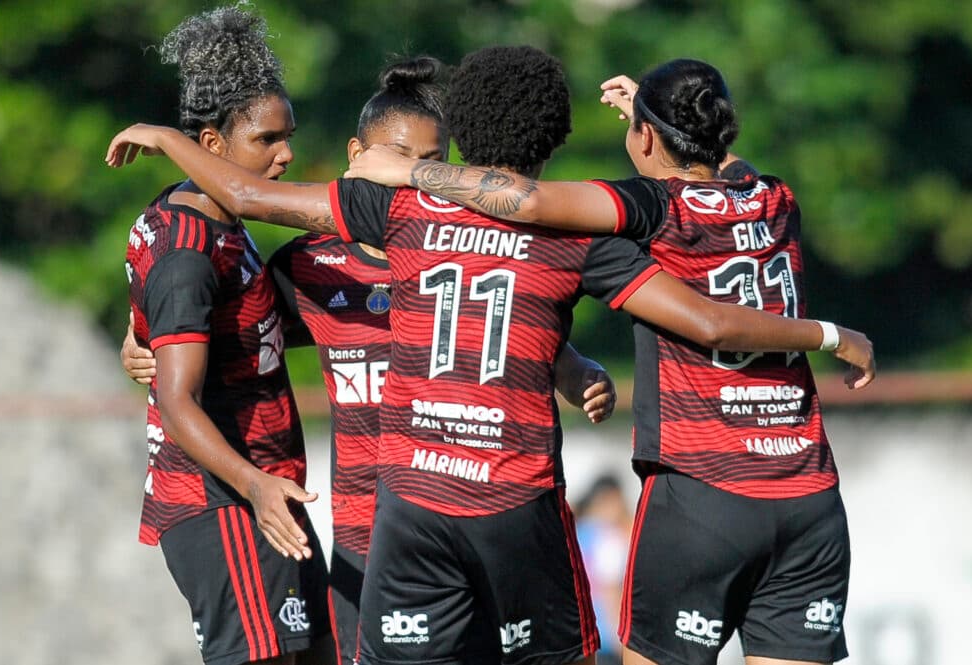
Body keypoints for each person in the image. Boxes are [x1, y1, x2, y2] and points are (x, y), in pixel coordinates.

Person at [105, 46, 874, 665]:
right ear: (558, 138)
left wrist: (167, 139)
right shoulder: (573, 236)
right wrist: (160, 338)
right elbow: (704, 313)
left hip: (413, 511)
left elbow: (244, 201)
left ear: (458, 136)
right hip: (492, 512)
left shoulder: (397, 207)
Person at [344, 58, 868, 665]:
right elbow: (723, 170)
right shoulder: (776, 197)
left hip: (702, 496)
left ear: (643, 136)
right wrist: (667, 126)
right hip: (807, 495)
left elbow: (529, 202)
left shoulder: (651, 206)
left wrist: (411, 169)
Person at [119, 53, 617, 665]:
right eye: (401, 160)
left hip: (467, 514)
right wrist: (138, 334)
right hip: (365, 538)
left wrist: (574, 368)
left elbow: (519, 319)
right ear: (359, 158)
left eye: (431, 164)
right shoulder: (308, 268)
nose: (412, 176)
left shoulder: (458, 246)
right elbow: (212, 311)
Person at [120, 7, 332, 665]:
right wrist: (255, 484)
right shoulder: (188, 250)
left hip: (268, 490)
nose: (286, 153)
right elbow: (179, 399)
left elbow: (207, 332)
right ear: (212, 147)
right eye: (267, 140)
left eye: (287, 135)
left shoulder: (210, 217)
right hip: (229, 500)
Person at [574, 474, 633, 665]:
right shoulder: (608, 536)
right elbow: (611, 589)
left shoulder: (577, 531)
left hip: (576, 638)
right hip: (604, 642)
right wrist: (622, 646)